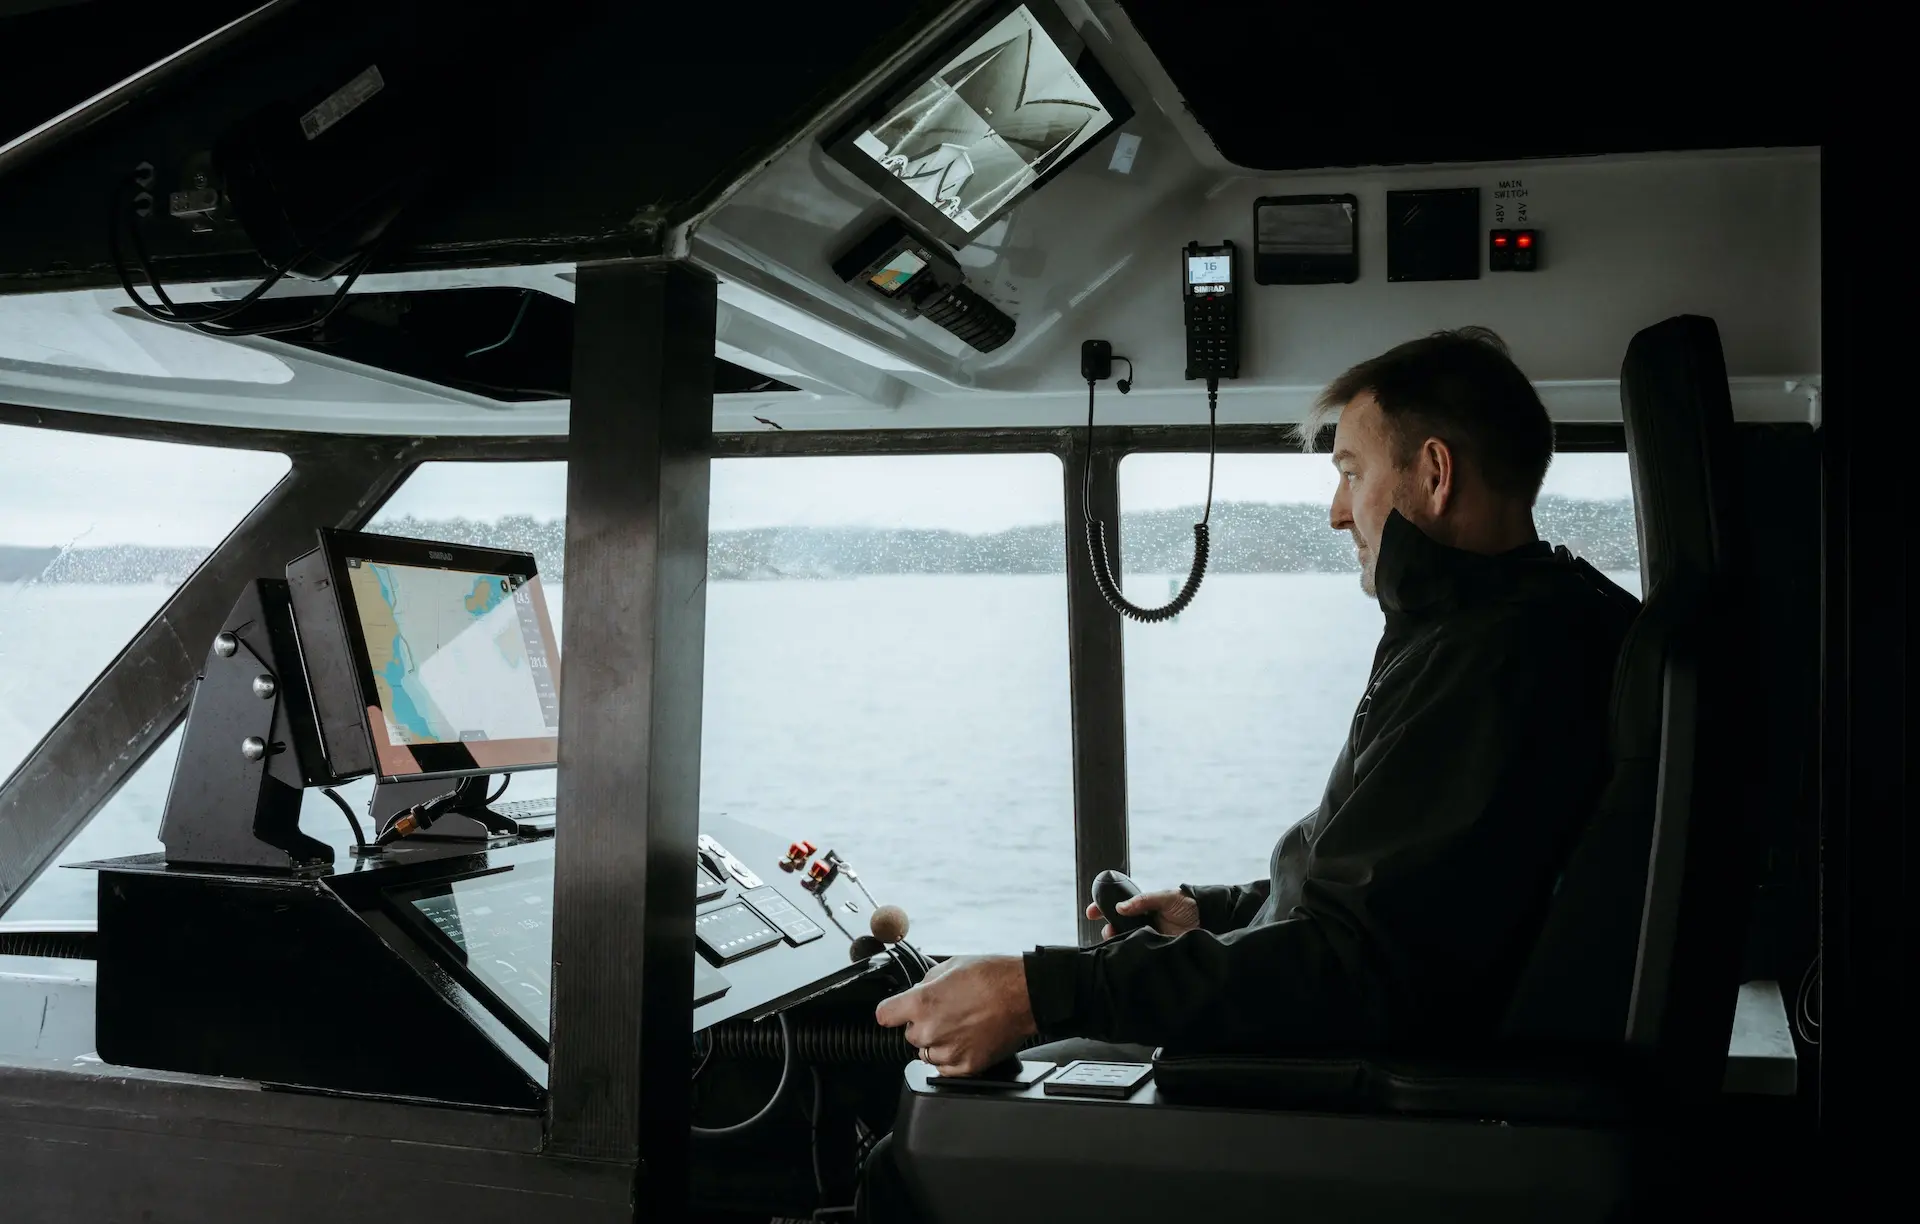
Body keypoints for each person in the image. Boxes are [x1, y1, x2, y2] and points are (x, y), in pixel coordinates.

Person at [873, 326, 1639, 1078]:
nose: (1339, 512)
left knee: (931, 1119)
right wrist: (1216, 913)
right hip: (1372, 1048)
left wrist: (1042, 991)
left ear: (1434, 475)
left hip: (1385, 1095)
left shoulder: (1496, 662)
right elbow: (1397, 896)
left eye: (1349, 472)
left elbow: (1355, 970)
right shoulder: (1507, 624)